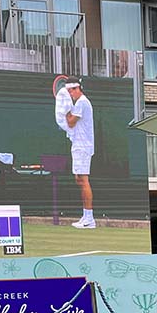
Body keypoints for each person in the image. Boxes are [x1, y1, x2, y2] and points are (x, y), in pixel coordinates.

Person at [65, 80, 95, 229]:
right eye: (69, 90)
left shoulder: (82, 102)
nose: (71, 92)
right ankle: (86, 216)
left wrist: (65, 109)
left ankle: (89, 219)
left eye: (73, 89)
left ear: (79, 88)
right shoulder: (79, 103)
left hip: (83, 146)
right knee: (79, 180)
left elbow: (70, 122)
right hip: (78, 145)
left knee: (83, 180)